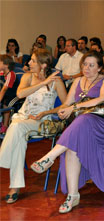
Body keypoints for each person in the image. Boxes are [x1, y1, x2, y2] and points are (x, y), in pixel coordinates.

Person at [30, 50, 104, 213]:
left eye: (91, 65)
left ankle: (50, 157)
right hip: (81, 126)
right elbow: (67, 103)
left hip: (103, 126)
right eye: (85, 64)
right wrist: (62, 110)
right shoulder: (78, 80)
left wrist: (74, 107)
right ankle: (73, 195)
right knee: (72, 147)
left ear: (99, 68)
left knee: (83, 120)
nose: (87, 68)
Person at [0, 49, 67, 204]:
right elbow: (21, 94)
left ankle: (11, 181)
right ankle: (15, 187)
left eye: (33, 61)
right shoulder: (27, 77)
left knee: (16, 127)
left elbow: (65, 105)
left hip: (42, 122)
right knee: (19, 134)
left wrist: (46, 113)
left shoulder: (56, 81)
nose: (28, 63)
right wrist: (43, 82)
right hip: (23, 119)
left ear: (43, 65)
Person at [0, 55, 20, 133]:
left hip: (14, 95)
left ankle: (5, 126)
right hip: (6, 95)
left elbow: (4, 89)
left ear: (6, 65)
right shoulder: (1, 73)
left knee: (7, 104)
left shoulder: (11, 74)